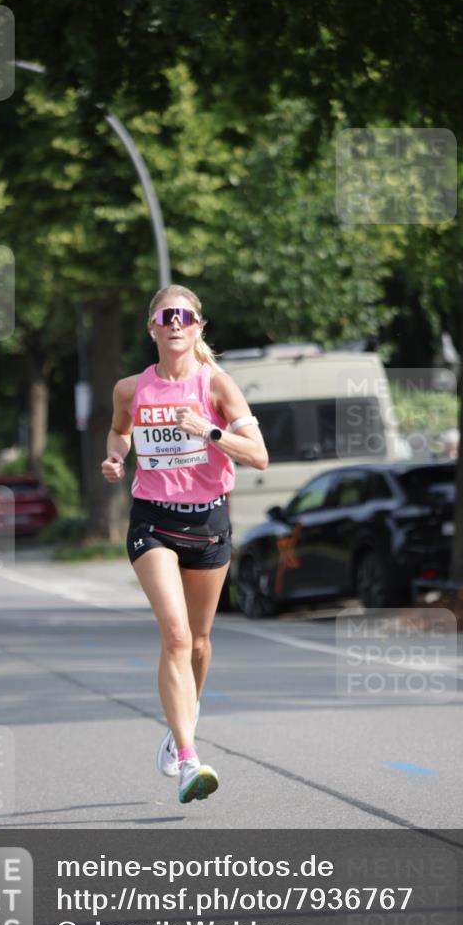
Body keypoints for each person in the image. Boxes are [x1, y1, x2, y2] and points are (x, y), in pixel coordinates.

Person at [101, 285, 268, 804]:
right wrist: (116, 457)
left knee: (198, 643)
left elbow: (259, 455)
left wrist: (209, 432)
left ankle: (179, 729)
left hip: (209, 524)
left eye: (185, 316)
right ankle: (190, 760)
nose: (175, 323)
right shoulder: (130, 388)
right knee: (175, 636)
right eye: (165, 316)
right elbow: (119, 432)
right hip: (153, 521)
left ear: (199, 328)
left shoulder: (216, 384)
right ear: (151, 328)